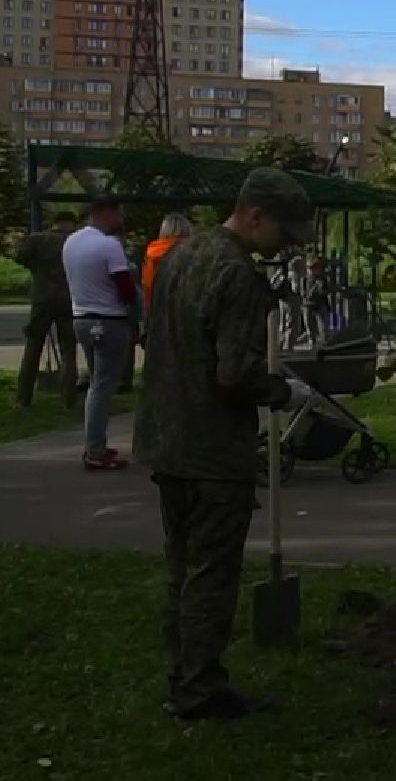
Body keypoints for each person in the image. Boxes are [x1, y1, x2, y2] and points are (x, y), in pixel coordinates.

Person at [134, 167, 317, 722]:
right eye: (283, 233)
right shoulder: (238, 276)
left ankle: (180, 675)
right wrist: (283, 391)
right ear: (254, 216)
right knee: (212, 573)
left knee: (181, 567)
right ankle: (201, 690)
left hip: (166, 438)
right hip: (213, 450)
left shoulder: (177, 256)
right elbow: (235, 375)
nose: (285, 245)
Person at [65, 195, 139, 470]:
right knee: (102, 387)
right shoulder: (109, 246)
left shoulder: (71, 242)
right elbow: (126, 289)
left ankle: (95, 444)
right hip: (109, 320)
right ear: (107, 213)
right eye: (119, 213)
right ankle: (95, 450)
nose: (121, 220)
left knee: (97, 383)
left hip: (81, 318)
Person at [14, 213, 80, 409]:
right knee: (68, 349)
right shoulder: (76, 242)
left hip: (42, 297)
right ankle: (69, 398)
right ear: (71, 224)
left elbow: (19, 256)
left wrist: (36, 268)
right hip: (68, 298)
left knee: (33, 346)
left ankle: (22, 398)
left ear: (54, 223)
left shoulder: (38, 240)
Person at [142, 213, 192, 311]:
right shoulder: (190, 252)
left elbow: (147, 285)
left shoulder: (151, 253)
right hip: (183, 309)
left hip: (157, 308)